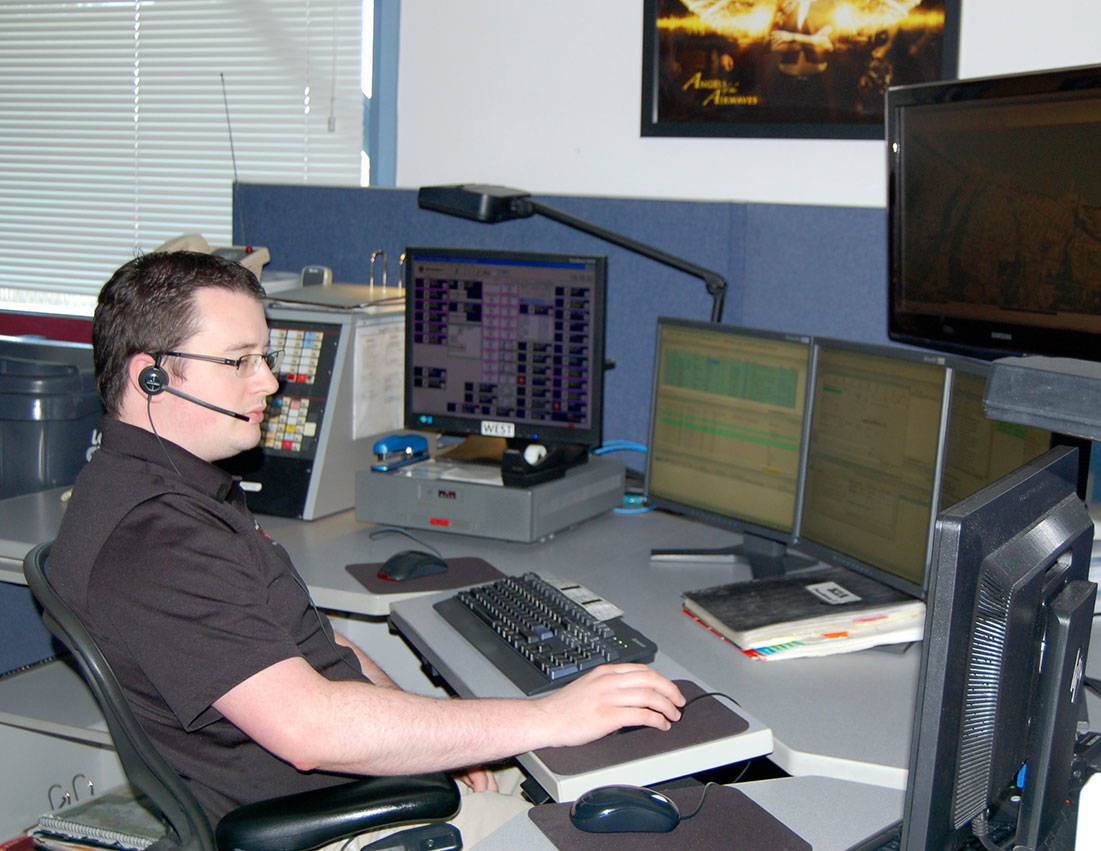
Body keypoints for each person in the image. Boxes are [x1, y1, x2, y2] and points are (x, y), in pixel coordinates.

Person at [48, 250, 686, 846]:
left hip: (364, 781)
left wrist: (437, 738)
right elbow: (311, 729)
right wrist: (547, 716)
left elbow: (321, 645)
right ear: (152, 377)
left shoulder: (164, 485)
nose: (269, 383)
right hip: (336, 827)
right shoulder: (156, 539)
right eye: (240, 360)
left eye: (264, 357)